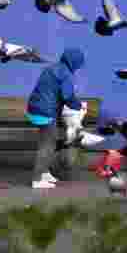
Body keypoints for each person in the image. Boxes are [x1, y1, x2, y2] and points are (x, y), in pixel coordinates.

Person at [25, 47, 86, 189]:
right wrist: (79, 106)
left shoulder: (51, 68)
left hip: (35, 108)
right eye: (78, 64)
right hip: (45, 112)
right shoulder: (66, 74)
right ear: (74, 62)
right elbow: (67, 96)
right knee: (47, 145)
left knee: (49, 142)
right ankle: (37, 179)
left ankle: (44, 172)